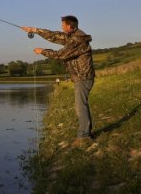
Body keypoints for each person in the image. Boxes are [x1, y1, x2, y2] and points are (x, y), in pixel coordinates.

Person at [21, 15, 95, 147]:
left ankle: (84, 136)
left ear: (69, 26)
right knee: (81, 106)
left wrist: (42, 51)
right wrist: (35, 30)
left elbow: (61, 55)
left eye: (63, 25)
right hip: (80, 77)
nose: (61, 27)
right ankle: (85, 133)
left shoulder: (78, 39)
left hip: (83, 77)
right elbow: (55, 36)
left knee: (80, 107)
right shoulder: (72, 36)